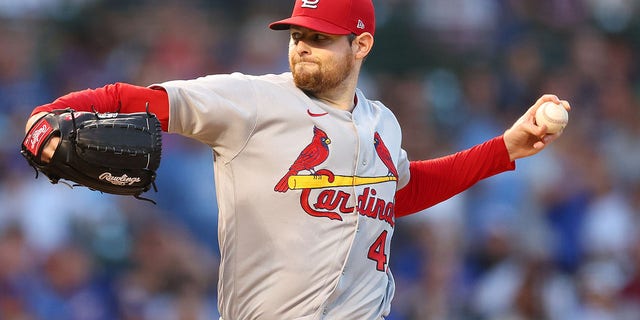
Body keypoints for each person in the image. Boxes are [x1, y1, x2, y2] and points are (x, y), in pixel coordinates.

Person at [24, 0, 571, 318]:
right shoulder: (252, 101)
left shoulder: (383, 122)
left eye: (320, 37)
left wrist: (505, 149)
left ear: (361, 46)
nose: (302, 45)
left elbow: (399, 193)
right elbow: (134, 98)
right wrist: (49, 114)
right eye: (297, 35)